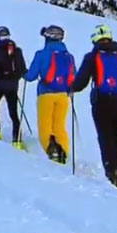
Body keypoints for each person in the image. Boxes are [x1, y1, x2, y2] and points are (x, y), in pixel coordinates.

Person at [73, 23, 117, 190]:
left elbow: (81, 82)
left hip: (102, 101)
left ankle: (111, 172)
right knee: (116, 136)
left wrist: (71, 88)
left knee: (105, 137)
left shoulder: (91, 57)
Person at [23, 25, 76, 164]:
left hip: (45, 94)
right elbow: (73, 77)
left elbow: (31, 76)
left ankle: (51, 151)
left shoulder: (42, 54)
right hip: (64, 95)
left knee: (45, 126)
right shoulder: (69, 57)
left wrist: (23, 73)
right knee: (59, 126)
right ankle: (63, 152)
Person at [0, 26, 28, 148]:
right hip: (13, 85)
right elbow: (22, 68)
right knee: (13, 112)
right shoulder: (17, 50)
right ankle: (17, 139)